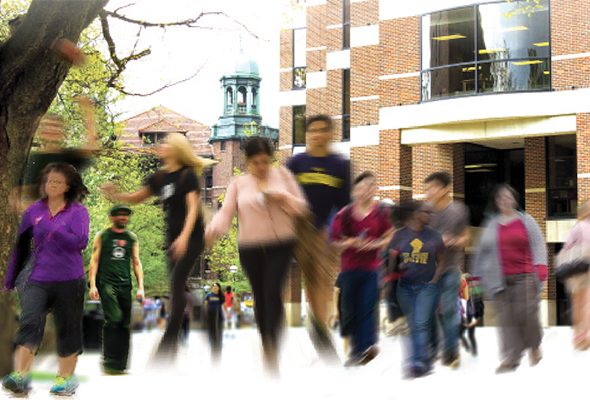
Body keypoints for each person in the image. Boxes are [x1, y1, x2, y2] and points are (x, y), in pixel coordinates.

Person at [101, 132, 209, 362]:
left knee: (176, 288)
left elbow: (193, 211)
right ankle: (208, 318)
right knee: (181, 288)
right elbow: (135, 198)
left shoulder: (188, 176)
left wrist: (184, 238)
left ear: (177, 148)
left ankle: (165, 350)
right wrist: (114, 194)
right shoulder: (159, 177)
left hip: (192, 237)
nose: (162, 145)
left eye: (167, 142)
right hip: (172, 239)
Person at [205, 136, 308, 375]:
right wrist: (212, 230)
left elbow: (302, 209)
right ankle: (266, 342)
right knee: (260, 298)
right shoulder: (238, 184)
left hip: (281, 244)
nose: (261, 167)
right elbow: (225, 213)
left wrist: (281, 198)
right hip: (250, 248)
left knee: (273, 290)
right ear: (248, 162)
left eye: (265, 161)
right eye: (255, 162)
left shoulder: (283, 177)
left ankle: (272, 344)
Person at [2, 162, 90, 396]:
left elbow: (80, 242)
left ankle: (65, 378)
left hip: (70, 279)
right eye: (48, 180)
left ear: (68, 186)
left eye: (57, 182)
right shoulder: (33, 211)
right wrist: (9, 280)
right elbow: (21, 248)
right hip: (37, 277)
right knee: (30, 321)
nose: (50, 184)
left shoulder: (78, 212)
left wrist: (53, 228)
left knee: (67, 328)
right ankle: (20, 375)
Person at [287, 114, 350, 361]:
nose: (317, 135)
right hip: (299, 228)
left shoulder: (340, 164)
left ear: (331, 133)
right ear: (307, 135)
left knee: (323, 277)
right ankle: (318, 323)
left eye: (323, 130)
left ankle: (319, 324)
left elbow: (344, 203)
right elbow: (285, 192)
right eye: (312, 130)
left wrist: (334, 229)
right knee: (311, 277)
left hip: (325, 229)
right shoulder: (295, 163)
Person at [472, 184, 547, 374]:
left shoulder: (526, 220)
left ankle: (534, 345)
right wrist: (476, 276)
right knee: (506, 320)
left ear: (514, 199)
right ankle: (511, 357)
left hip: (525, 276)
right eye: (500, 198)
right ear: (496, 202)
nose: (504, 200)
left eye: (508, 197)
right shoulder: (490, 224)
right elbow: (480, 252)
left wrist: (541, 267)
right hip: (498, 279)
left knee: (527, 314)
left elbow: (538, 243)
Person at [330, 172, 394, 367]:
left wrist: (377, 245)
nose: (366, 190)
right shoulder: (345, 214)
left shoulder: (381, 213)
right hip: (349, 269)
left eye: (370, 186)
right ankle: (361, 348)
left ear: (374, 189)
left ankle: (363, 349)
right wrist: (351, 242)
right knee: (350, 311)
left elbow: (390, 235)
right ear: (356, 191)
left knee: (367, 308)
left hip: (371, 269)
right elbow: (334, 241)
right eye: (362, 186)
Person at [11, 97, 98, 215]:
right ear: (40, 131)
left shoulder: (67, 156)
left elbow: (92, 147)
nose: (51, 129)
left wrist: (88, 111)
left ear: (62, 132)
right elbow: (24, 196)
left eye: (55, 126)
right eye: (48, 125)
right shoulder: (33, 159)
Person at [388, 201, 445, 379]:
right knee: (413, 324)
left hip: (426, 286)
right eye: (428, 212)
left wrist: (434, 281)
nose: (431, 216)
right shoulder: (399, 236)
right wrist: (398, 268)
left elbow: (441, 262)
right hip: (404, 287)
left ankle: (418, 362)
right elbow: (391, 263)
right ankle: (420, 361)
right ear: (416, 214)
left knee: (420, 323)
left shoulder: (434, 236)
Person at [88, 204, 145, 375]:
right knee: (114, 318)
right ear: (112, 217)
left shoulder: (131, 238)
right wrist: (92, 284)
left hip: (125, 285)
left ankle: (120, 364)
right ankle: (109, 361)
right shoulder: (102, 236)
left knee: (124, 323)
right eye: (119, 215)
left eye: (125, 215)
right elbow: (94, 260)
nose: (123, 218)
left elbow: (136, 262)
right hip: (107, 283)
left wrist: (140, 287)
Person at [424, 171, 470, 369]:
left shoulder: (458, 210)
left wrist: (452, 241)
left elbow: (466, 238)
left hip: (450, 269)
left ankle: (451, 350)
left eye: (433, 188)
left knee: (447, 309)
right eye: (427, 189)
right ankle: (433, 348)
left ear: (445, 189)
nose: (429, 192)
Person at [558, 200, 590, 350]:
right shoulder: (582, 228)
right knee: (583, 303)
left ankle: (580, 336)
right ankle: (582, 335)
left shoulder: (574, 229)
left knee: (580, 303)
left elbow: (565, 250)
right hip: (583, 268)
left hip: (578, 269)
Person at [460, 273, 483, 356]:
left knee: (470, 335)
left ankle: (474, 352)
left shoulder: (474, 292)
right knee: (460, 334)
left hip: (471, 316)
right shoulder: (461, 292)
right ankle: (468, 348)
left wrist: (477, 317)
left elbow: (479, 305)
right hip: (463, 316)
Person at [204, 283, 227, 361]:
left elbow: (224, 305)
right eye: (213, 286)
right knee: (211, 329)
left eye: (216, 287)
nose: (214, 288)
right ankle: (213, 343)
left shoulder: (220, 296)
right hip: (210, 314)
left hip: (219, 314)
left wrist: (227, 313)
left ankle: (219, 343)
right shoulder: (208, 295)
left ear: (218, 288)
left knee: (219, 329)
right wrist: (205, 313)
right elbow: (205, 304)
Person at [333, 273, 349, 357]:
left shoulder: (341, 275)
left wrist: (336, 311)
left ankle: (347, 357)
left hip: (343, 308)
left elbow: (335, 292)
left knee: (346, 335)